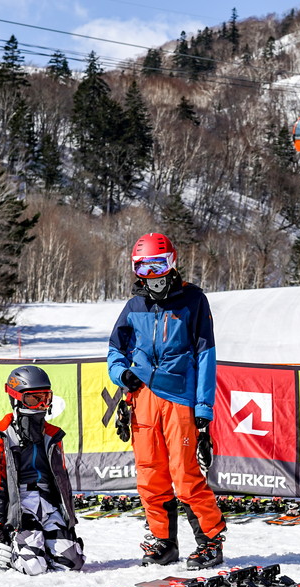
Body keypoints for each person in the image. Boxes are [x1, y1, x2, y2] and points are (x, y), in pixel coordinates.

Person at [108, 232, 226, 569]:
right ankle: (163, 542)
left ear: (171, 263)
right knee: (149, 474)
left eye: (158, 265)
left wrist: (203, 407)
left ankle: (210, 540)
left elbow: (206, 356)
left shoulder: (193, 301)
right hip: (143, 398)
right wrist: (122, 375)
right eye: (144, 267)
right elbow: (115, 350)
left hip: (180, 398)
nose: (153, 274)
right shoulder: (134, 307)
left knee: (186, 474)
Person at [0, 365, 85, 575]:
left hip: (48, 502)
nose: (40, 405)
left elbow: (62, 481)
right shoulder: (2, 437)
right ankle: (11, 547)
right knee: (33, 567)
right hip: (22, 505)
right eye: (33, 399)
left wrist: (69, 522)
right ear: (16, 398)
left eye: (45, 398)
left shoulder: (53, 436)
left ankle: (43, 543)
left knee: (72, 563)